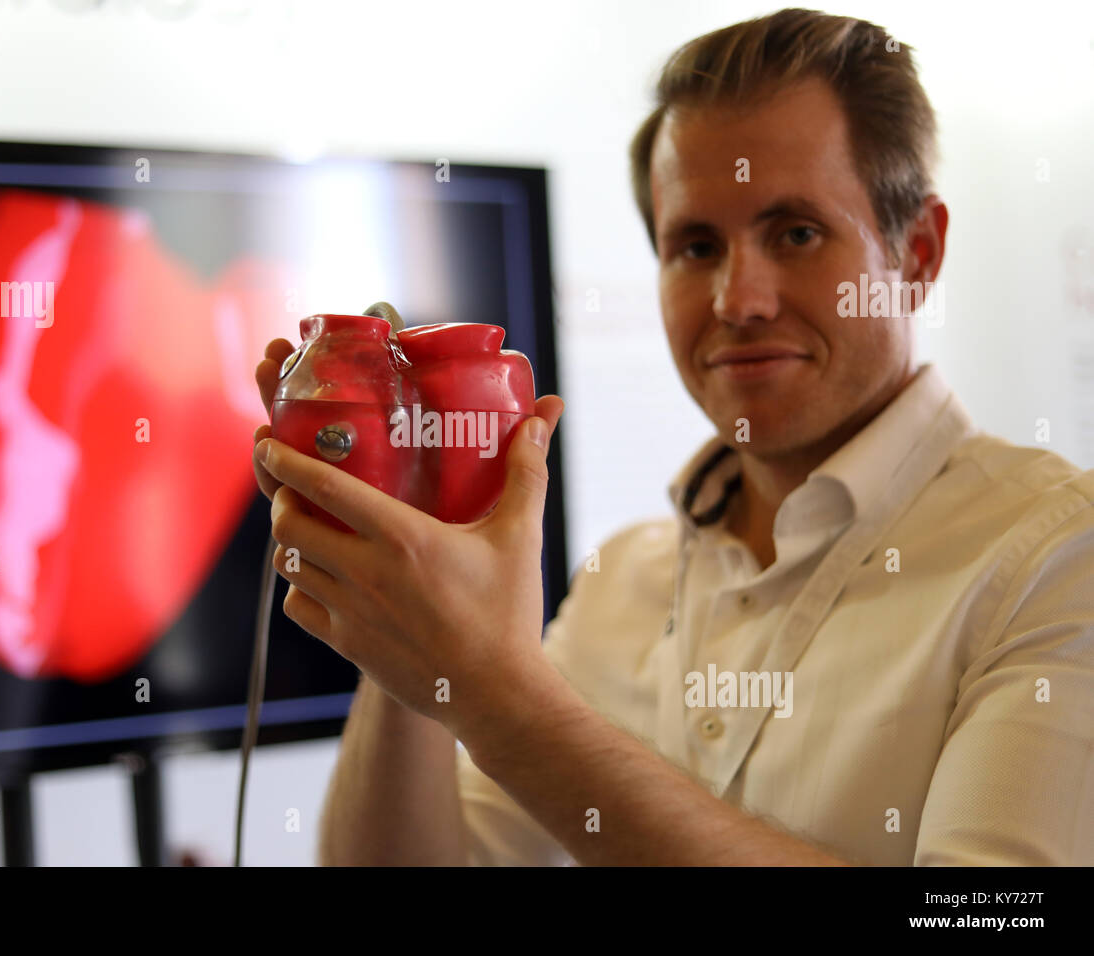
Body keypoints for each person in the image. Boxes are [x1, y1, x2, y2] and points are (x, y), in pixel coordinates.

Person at [250, 8, 1094, 865]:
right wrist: (410, 588)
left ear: (916, 254)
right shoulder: (623, 587)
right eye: (695, 245)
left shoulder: (1059, 556)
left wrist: (498, 695)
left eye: (795, 233)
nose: (738, 299)